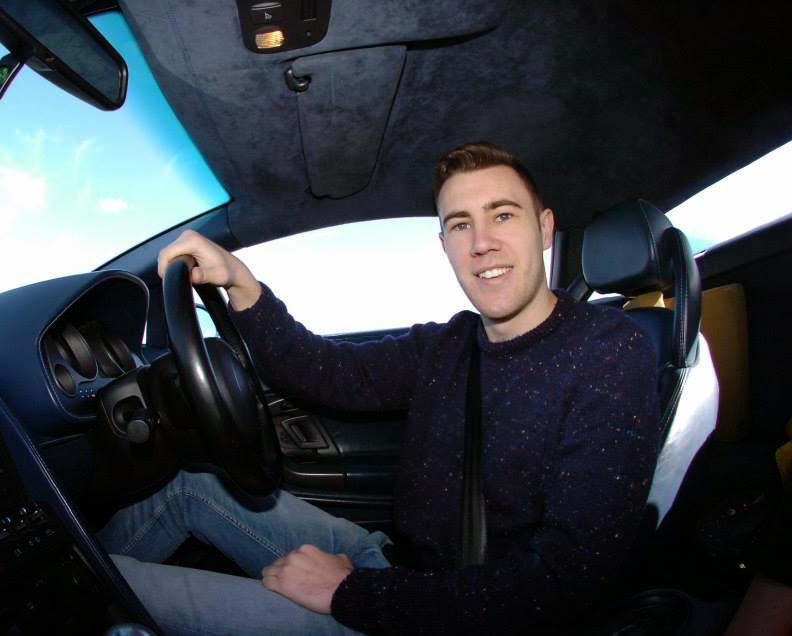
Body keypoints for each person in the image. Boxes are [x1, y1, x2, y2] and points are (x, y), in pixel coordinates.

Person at [98, 142, 662, 634]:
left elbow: (562, 581)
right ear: (444, 244)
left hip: (449, 613)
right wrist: (242, 284)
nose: (481, 243)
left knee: (109, 587)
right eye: (460, 225)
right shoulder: (451, 344)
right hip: (392, 567)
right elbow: (324, 371)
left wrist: (351, 594)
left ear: (543, 228)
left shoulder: (607, 352)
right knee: (187, 487)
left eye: (503, 215)